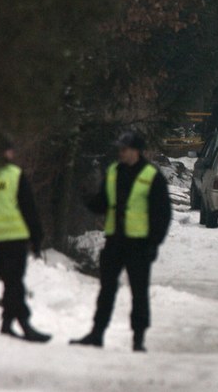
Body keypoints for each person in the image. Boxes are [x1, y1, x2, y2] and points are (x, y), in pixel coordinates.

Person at [71, 131, 172, 352]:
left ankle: (138, 339)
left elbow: (162, 213)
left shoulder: (151, 175)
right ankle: (97, 334)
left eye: (124, 149)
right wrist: (88, 198)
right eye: (120, 149)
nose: (121, 152)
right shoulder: (113, 172)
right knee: (106, 289)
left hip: (139, 244)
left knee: (139, 292)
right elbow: (103, 204)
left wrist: (154, 242)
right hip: (115, 241)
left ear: (136, 151)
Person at [0, 135, 51, 343]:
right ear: (4, 153)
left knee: (10, 281)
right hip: (15, 235)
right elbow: (29, 208)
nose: (12, 154)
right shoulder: (14, 175)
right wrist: (36, 237)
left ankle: (7, 324)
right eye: (9, 150)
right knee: (14, 282)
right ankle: (24, 323)